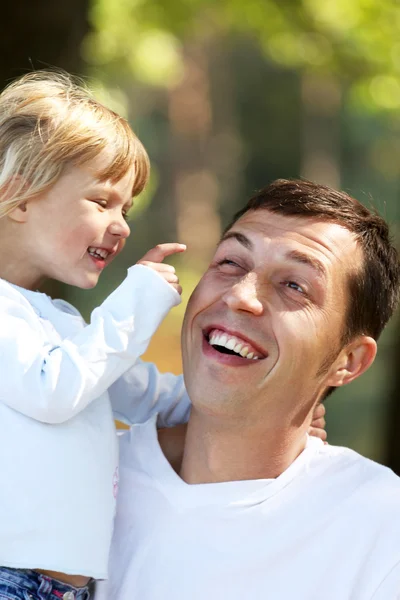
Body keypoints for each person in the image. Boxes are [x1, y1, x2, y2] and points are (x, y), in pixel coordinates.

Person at [100, 179, 400, 600]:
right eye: (230, 263)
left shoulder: (381, 529)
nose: (241, 295)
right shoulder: (74, 474)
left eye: (294, 285)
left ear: (347, 361)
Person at [0, 70, 194, 600]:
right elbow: (54, 389)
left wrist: (250, 404)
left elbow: (143, 393)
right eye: (103, 201)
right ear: (19, 197)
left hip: (66, 588)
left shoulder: (58, 322)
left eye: (126, 209)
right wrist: (137, 301)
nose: (123, 225)